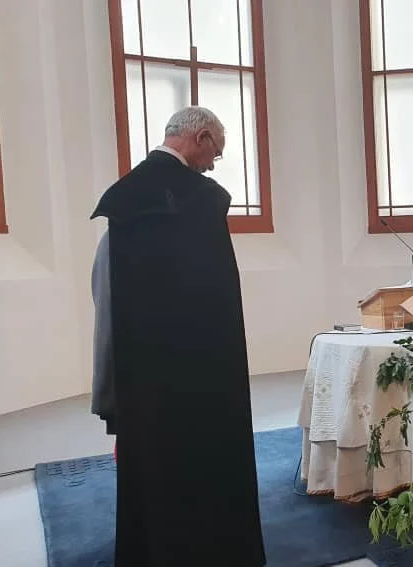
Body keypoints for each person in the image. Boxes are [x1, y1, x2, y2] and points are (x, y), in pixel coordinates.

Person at [90, 106, 266, 566]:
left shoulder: (123, 200)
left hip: (146, 379)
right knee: (202, 468)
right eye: (217, 153)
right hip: (201, 374)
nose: (213, 164)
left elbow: (109, 298)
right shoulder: (202, 201)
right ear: (202, 137)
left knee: (153, 465)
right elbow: (214, 298)